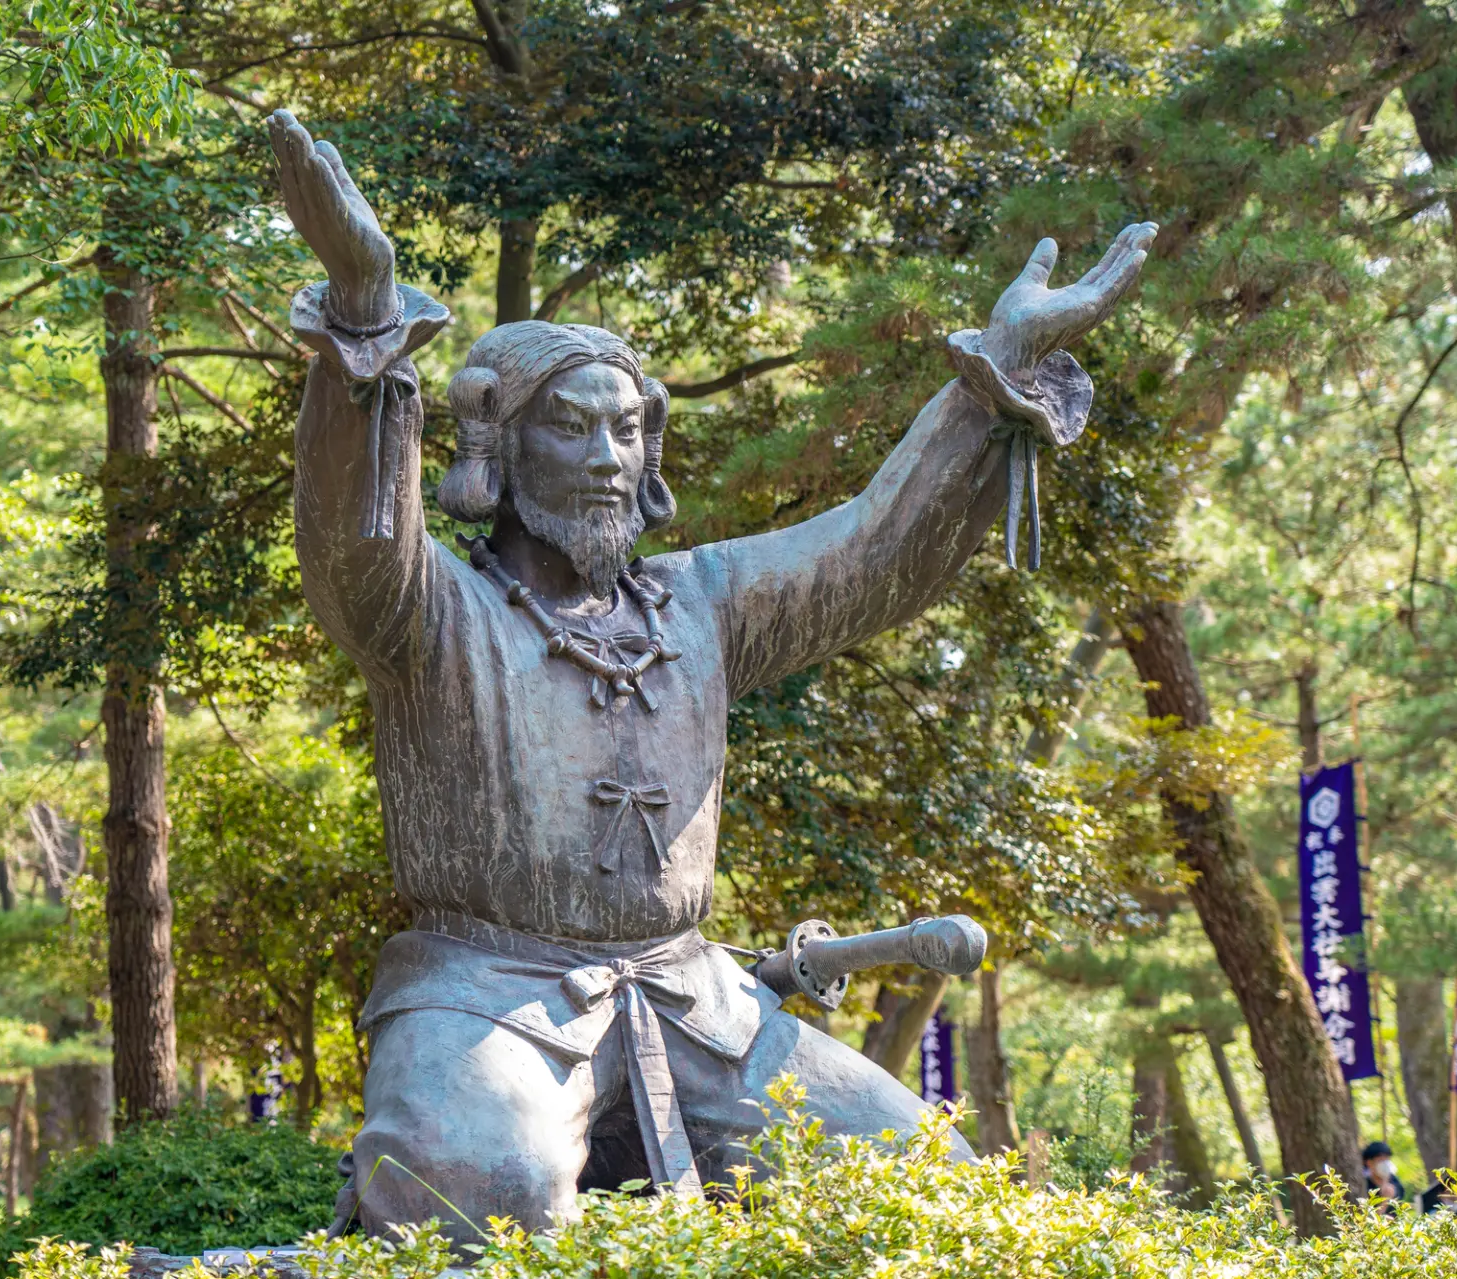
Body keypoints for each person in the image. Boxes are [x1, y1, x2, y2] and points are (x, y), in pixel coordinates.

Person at [265, 109, 1153, 1245]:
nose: (604, 460)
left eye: (627, 432)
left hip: (701, 1000)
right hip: (487, 992)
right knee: (477, 1198)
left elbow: (872, 554)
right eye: (571, 429)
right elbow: (353, 540)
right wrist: (362, 314)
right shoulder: (433, 608)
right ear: (499, 446)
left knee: (924, 1183)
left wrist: (996, 378)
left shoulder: (703, 601)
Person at [1363, 1139, 1406, 1208]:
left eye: (1387, 1159)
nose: (1385, 1164)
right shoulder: (1363, 1185)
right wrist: (1385, 1201)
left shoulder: (1394, 1181)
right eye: (1380, 1160)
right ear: (1369, 1162)